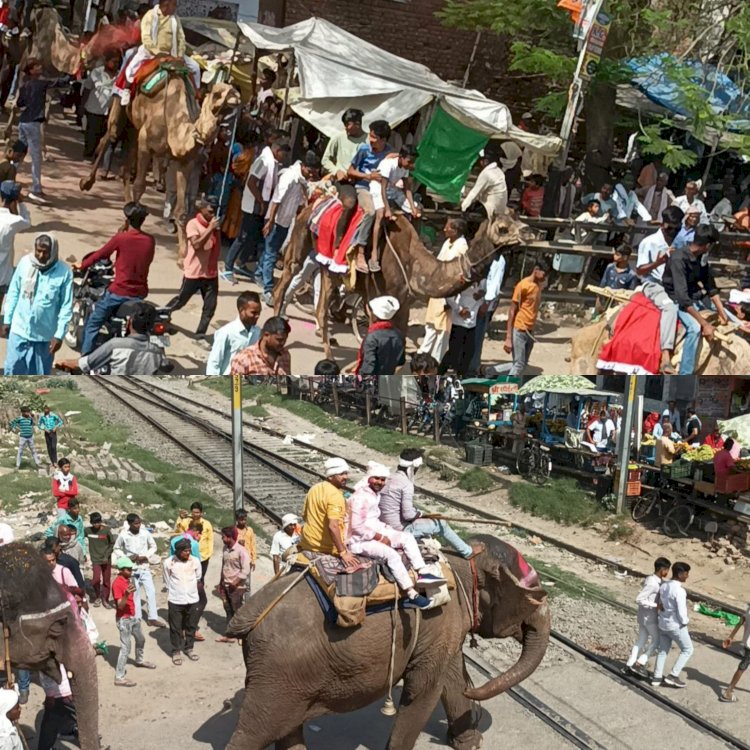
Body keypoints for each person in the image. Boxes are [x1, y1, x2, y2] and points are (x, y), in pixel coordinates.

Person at [347, 462, 442, 609]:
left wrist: (387, 531)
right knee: (391, 555)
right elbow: (357, 527)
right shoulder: (360, 498)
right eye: (377, 478)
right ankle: (411, 592)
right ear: (369, 478)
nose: (380, 482)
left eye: (383, 479)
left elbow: (373, 520)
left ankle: (423, 573)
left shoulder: (373, 495)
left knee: (407, 537)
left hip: (376, 531)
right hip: (360, 540)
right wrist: (380, 537)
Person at [77, 202, 155, 355]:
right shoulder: (150, 240)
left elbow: (101, 254)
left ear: (127, 220)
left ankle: (85, 361)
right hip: (140, 293)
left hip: (119, 292)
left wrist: (81, 265)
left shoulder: (121, 238)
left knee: (92, 324)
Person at [379, 449, 473, 558]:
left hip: (384, 524)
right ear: (413, 467)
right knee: (441, 523)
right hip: (400, 528)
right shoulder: (406, 485)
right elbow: (408, 515)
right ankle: (467, 552)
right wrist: (419, 514)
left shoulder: (388, 478)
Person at [662, 223, 729, 375]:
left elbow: (710, 286)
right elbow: (682, 297)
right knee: (694, 328)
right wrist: (704, 324)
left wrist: (722, 312)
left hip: (695, 296)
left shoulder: (701, 258)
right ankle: (685, 373)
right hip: (677, 299)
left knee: (732, 319)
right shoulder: (678, 258)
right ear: (708, 245)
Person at [222, 134, 290, 282]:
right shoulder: (264, 162)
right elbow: (251, 182)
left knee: (253, 237)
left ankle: (241, 263)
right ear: (277, 150)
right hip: (253, 205)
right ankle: (227, 267)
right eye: (284, 154)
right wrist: (260, 201)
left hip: (259, 205)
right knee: (243, 236)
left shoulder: (273, 163)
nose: (285, 157)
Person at [3, 233, 72, 375]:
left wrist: (59, 335)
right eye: (38, 250)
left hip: (44, 337)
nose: (40, 255)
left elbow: (66, 306)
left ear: (53, 251)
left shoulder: (64, 273)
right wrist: (7, 320)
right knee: (12, 372)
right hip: (19, 331)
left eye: (45, 252)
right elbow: (14, 292)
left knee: (39, 378)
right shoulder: (25, 263)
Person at [256, 151, 321, 302]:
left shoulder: (302, 179)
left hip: (285, 221)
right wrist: (270, 221)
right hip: (276, 219)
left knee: (270, 251)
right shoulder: (290, 177)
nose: (311, 175)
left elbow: (300, 202)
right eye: (310, 171)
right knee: (271, 254)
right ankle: (268, 289)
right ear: (304, 167)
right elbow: (277, 200)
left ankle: (259, 273)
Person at [635, 205, 685, 375]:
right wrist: (659, 262)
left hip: (676, 284)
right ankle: (665, 356)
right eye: (670, 227)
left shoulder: (681, 242)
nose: (673, 231)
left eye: (677, 227)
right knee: (670, 307)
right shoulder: (649, 242)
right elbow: (640, 270)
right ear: (663, 224)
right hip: (654, 284)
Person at [57, 301, 167, 376]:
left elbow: (85, 364)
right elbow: (166, 367)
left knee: (92, 324)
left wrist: (62, 362)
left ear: (129, 322)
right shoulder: (157, 352)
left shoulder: (115, 345)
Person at [166, 196, 221, 337]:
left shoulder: (215, 224)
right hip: (194, 272)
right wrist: (210, 229)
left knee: (210, 306)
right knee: (180, 301)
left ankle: (200, 333)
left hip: (211, 273)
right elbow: (196, 245)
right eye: (210, 211)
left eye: (215, 211)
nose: (212, 214)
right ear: (202, 208)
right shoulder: (193, 224)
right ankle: (162, 314)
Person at [122, 0, 200, 97]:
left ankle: (195, 96)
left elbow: (181, 38)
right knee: (132, 69)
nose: (175, 8)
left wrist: (179, 55)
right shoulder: (150, 16)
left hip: (173, 54)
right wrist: (158, 53)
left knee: (195, 66)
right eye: (174, 5)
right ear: (165, 4)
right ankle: (127, 91)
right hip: (151, 52)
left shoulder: (175, 18)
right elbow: (146, 38)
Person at [419, 218, 469, 363]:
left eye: (447, 227)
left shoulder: (462, 247)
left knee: (441, 332)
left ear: (455, 231)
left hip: (449, 292)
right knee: (431, 327)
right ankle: (422, 357)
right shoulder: (448, 243)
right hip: (438, 289)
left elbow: (458, 274)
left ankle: (434, 363)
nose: (444, 230)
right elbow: (440, 262)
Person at [17, 59, 66, 204]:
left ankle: (7, 177)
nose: (40, 67)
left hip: (23, 122)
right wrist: (75, 73)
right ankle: (36, 189)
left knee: (19, 152)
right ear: (31, 71)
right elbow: (60, 82)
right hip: (33, 124)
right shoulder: (40, 83)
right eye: (37, 66)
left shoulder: (24, 85)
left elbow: (20, 103)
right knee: (36, 157)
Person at [348, 120, 394, 273]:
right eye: (370, 135)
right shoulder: (363, 150)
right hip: (364, 187)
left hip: (382, 190)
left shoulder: (390, 153)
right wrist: (368, 176)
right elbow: (351, 171)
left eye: (374, 137)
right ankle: (360, 251)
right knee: (371, 212)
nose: (370, 139)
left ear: (383, 140)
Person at [369, 145, 419, 272]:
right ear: (401, 158)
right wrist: (387, 209)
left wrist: (412, 207)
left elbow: (407, 189)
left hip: (392, 189)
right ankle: (374, 254)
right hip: (379, 187)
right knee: (380, 215)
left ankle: (416, 244)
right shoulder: (388, 165)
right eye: (409, 161)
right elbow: (383, 189)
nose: (411, 164)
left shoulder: (405, 167)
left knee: (418, 210)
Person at [299, 457, 356, 568]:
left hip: (307, 543)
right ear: (330, 476)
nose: (346, 477)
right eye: (341, 474)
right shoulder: (335, 495)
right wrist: (343, 552)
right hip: (325, 548)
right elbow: (333, 526)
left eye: (346, 473)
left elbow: (305, 516)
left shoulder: (314, 488)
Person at [112, 557, 156, 687]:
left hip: (133, 616)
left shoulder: (128, 579)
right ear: (120, 570)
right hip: (124, 619)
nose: (131, 572)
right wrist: (126, 594)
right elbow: (120, 606)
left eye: (131, 569)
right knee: (126, 648)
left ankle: (139, 660)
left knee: (141, 639)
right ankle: (119, 677)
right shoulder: (117, 584)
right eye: (128, 569)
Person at [624, 557, 671, 677]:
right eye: (667, 570)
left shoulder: (653, 579)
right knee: (656, 641)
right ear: (662, 570)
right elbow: (639, 599)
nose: (668, 573)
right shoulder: (652, 583)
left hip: (644, 616)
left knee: (641, 640)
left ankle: (630, 663)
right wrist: (656, 606)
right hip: (649, 617)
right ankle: (641, 661)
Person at [113, 513, 161, 626]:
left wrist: (146, 555)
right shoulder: (124, 535)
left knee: (151, 591)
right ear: (129, 523)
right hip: (132, 569)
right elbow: (116, 548)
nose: (138, 525)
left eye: (139, 523)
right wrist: (126, 558)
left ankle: (152, 618)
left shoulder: (145, 533)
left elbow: (153, 546)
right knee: (136, 593)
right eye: (135, 523)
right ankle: (137, 618)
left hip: (144, 566)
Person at [651, 562, 693, 688]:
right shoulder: (680, 591)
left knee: (663, 650)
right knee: (688, 649)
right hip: (675, 625)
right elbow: (681, 611)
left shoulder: (664, 585)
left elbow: (660, 603)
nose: (687, 576)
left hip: (663, 623)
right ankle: (673, 675)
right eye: (686, 574)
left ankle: (656, 677)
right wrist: (685, 622)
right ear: (680, 574)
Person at [162, 538, 202, 664]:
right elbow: (167, 580)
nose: (188, 553)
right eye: (185, 551)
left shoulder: (195, 561)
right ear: (178, 551)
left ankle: (189, 648)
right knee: (175, 627)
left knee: (191, 625)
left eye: (189, 551)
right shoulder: (169, 562)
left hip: (192, 599)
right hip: (175, 599)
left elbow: (198, 576)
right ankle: (176, 651)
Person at [504, 261, 547, 376]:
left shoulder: (538, 286)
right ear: (536, 270)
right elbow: (512, 311)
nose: (545, 277)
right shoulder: (522, 285)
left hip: (530, 330)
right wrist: (508, 338)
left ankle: (489, 371)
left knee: (521, 363)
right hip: (519, 329)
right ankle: (508, 386)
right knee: (519, 365)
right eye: (544, 273)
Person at [205, 291, 261, 375]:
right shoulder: (226, 332)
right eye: (253, 313)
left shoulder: (257, 332)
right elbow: (214, 363)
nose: (257, 316)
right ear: (241, 310)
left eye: (259, 312)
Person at [439, 279, 485, 377]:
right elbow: (449, 296)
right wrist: (459, 310)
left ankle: (461, 376)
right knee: (454, 353)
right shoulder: (463, 281)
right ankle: (439, 373)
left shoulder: (483, 282)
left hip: (472, 322)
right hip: (459, 321)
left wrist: (481, 297)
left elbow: (485, 295)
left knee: (469, 352)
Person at [215, 527, 251, 643]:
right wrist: (221, 582)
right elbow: (224, 565)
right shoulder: (225, 549)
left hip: (237, 587)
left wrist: (234, 583)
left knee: (238, 611)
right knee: (228, 609)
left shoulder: (241, 551)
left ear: (230, 537)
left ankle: (242, 635)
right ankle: (230, 635)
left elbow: (245, 570)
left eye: (224, 536)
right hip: (225, 585)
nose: (222, 538)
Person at [0, 180, 30, 313]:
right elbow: (27, 221)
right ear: (15, 200)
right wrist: (22, 203)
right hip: (3, 271)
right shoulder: (14, 221)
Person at [82, 51, 119, 161]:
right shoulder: (96, 73)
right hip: (94, 109)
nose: (116, 64)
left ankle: (98, 158)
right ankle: (88, 155)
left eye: (118, 62)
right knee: (92, 135)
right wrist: (82, 106)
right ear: (107, 62)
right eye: (114, 61)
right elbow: (87, 89)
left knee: (104, 136)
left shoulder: (120, 76)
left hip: (110, 112)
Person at [355, 295, 404, 376]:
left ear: (374, 317)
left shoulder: (372, 338)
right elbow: (400, 362)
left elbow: (369, 367)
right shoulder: (399, 335)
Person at [37, 664, 77, 750]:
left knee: (61, 713)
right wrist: (50, 694)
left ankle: (66, 730)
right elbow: (47, 668)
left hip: (65, 687)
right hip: (59, 690)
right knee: (51, 720)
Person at [461, 147, 508, 218]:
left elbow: (475, 192)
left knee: (467, 211)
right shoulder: (498, 171)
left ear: (485, 161)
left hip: (490, 208)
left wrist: (463, 207)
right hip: (500, 208)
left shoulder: (487, 173)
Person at [174, 501, 214, 582]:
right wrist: (180, 518)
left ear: (201, 513)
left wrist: (209, 554)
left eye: (197, 512)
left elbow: (210, 540)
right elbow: (178, 531)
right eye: (193, 512)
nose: (195, 514)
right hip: (189, 556)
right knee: (190, 578)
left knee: (200, 578)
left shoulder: (207, 524)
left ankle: (200, 593)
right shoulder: (186, 522)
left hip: (203, 557)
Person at [720, 602, 750, 703]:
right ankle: (728, 692)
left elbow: (741, 621)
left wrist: (731, 636)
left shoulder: (749, 610)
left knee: (743, 666)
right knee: (742, 666)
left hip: (747, 643)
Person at [87, 512, 114, 608]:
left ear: (101, 521)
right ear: (91, 523)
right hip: (95, 559)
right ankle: (98, 596)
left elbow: (112, 544)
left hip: (106, 559)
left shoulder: (106, 531)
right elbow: (78, 535)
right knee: (95, 580)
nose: (96, 525)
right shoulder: (88, 531)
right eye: (94, 523)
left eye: (98, 522)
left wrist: (106, 556)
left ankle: (105, 599)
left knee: (106, 581)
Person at [234, 510, 256, 579]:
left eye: (245, 519)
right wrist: (238, 543)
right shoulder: (233, 530)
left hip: (247, 561)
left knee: (246, 581)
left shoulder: (250, 530)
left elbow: (253, 545)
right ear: (237, 519)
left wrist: (253, 560)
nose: (244, 521)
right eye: (241, 520)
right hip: (236, 561)